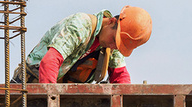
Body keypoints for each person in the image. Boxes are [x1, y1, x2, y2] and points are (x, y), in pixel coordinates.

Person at [13, 6, 152, 84]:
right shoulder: (81, 25)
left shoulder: (109, 44)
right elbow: (49, 62)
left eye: (120, 46)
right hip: (31, 83)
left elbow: (120, 76)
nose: (115, 46)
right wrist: (51, 103)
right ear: (111, 22)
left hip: (58, 89)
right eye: (115, 41)